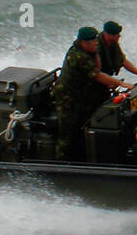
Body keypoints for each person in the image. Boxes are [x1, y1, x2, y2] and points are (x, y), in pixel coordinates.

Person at [52, 26, 122, 159]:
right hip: (67, 99)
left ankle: (84, 155)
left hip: (81, 95)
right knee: (67, 135)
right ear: (84, 42)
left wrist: (95, 52)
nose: (96, 43)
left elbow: (98, 67)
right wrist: (121, 84)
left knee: (86, 124)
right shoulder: (78, 56)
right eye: (93, 41)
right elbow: (97, 74)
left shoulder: (89, 51)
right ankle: (60, 164)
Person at [97, 20, 137, 90]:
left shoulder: (113, 43)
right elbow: (96, 73)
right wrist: (120, 83)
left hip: (104, 80)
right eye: (116, 34)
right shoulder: (96, 47)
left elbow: (122, 61)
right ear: (107, 35)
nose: (119, 36)